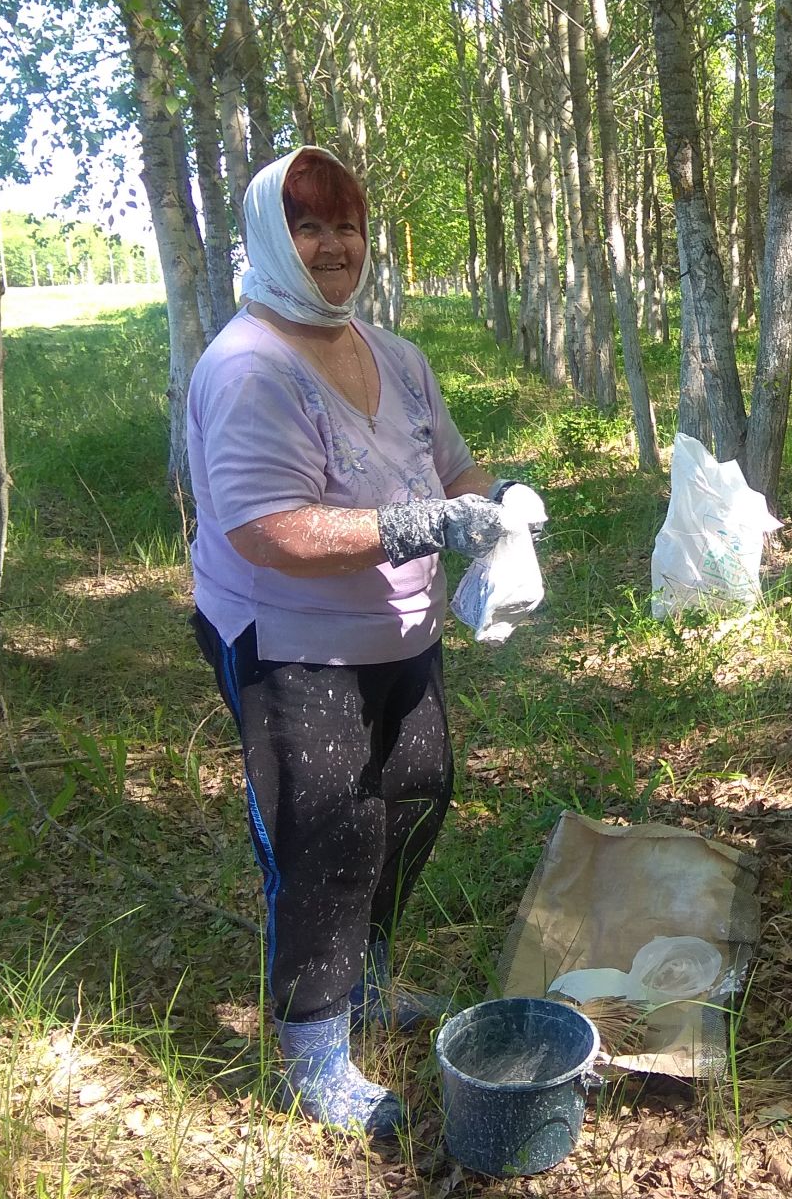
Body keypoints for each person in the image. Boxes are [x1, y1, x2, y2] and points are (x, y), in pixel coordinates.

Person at [187, 147, 539, 1137]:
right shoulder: (252, 366)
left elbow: (457, 470)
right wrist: (418, 528)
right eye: (310, 226)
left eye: (346, 224)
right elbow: (270, 529)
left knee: (417, 793)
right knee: (328, 840)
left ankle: (367, 979)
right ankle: (312, 1054)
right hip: (293, 645)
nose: (334, 245)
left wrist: (492, 523)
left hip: (400, 638)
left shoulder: (393, 354)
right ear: (271, 240)